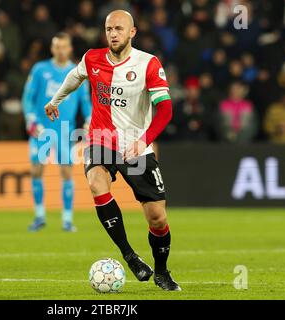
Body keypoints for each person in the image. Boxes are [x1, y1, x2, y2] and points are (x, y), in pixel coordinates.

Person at [45, 10, 180, 291]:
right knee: (96, 183)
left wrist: (143, 142)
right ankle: (129, 256)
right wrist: (55, 100)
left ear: (132, 32)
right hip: (100, 139)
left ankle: (162, 272)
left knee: (157, 218)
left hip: (136, 147)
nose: (113, 34)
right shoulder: (92, 58)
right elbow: (75, 76)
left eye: (119, 28)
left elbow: (165, 110)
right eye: (108, 29)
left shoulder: (148, 64)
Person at [22, 33, 92, 232]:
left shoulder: (78, 73)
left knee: (66, 172)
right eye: (57, 47)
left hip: (64, 130)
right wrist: (31, 119)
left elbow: (86, 102)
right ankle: (39, 216)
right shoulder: (40, 69)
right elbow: (28, 98)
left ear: (69, 48)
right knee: (36, 169)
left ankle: (67, 220)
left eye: (64, 47)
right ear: (52, 49)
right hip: (41, 130)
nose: (60, 50)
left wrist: (89, 119)